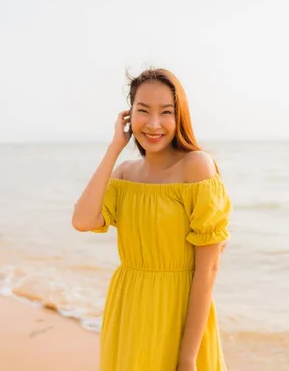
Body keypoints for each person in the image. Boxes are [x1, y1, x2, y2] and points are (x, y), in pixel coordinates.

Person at [71, 68, 232, 371]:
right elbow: (82, 220)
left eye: (166, 112)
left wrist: (187, 358)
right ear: (129, 116)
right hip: (129, 310)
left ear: (179, 116)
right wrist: (114, 148)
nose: (155, 124)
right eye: (143, 111)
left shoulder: (196, 167)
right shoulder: (124, 174)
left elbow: (207, 269)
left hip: (179, 314)